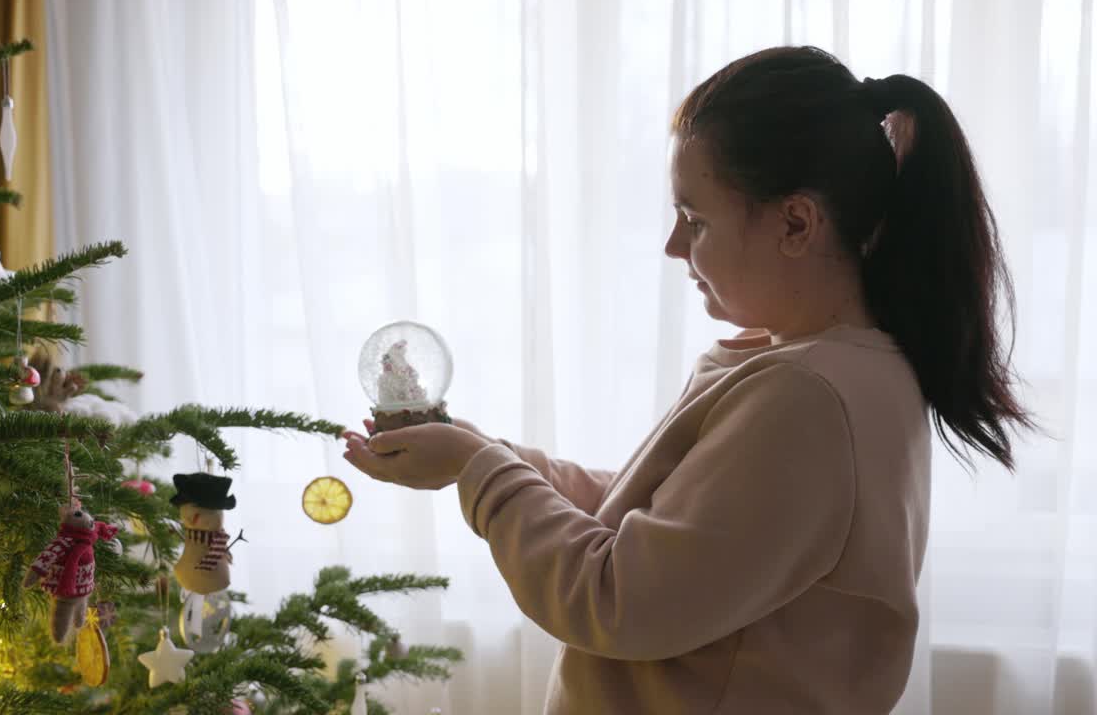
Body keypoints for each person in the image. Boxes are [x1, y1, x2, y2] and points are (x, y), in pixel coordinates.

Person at [341, 46, 1034, 714]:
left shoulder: (809, 397)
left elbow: (617, 601)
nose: (675, 247)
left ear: (797, 222)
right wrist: (490, 454)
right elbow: (659, 525)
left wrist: (480, 471)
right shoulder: (820, 369)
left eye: (695, 220)